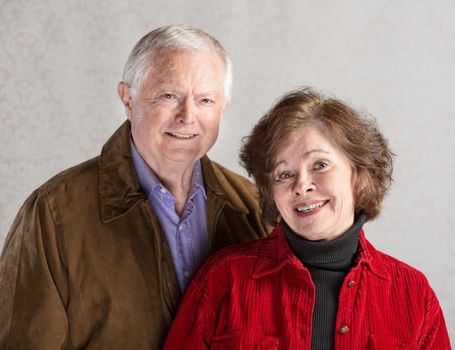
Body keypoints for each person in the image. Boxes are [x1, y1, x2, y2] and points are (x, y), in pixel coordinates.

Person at [0, 25, 269, 349]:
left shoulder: (254, 208)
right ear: (128, 98)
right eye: (168, 96)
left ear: (223, 107)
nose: (187, 116)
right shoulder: (54, 213)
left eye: (205, 100)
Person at [164, 87, 451, 349]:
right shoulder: (224, 278)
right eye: (284, 174)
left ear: (359, 176)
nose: (301, 185)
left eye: (320, 165)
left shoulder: (412, 293)